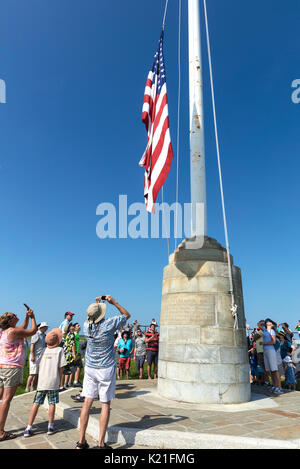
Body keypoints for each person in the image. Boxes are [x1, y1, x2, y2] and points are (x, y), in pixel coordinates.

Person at [76, 295, 130, 450]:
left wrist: (97, 305)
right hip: (106, 368)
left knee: (87, 402)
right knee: (105, 403)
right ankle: (100, 443)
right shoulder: (109, 324)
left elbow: (93, 316)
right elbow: (126, 315)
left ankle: (81, 441)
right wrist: (114, 302)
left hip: (91, 368)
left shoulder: (86, 325)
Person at [0, 308, 37, 442]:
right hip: (12, 368)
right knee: (6, 400)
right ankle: (0, 432)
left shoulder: (5, 331)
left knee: (1, 398)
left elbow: (22, 328)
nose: (16, 315)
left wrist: (26, 318)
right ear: (10, 320)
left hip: (2, 367)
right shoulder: (14, 331)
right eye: (13, 315)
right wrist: (33, 317)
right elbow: (32, 331)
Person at [23, 328, 67, 437]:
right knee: (52, 404)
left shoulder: (43, 350)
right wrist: (61, 383)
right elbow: (61, 368)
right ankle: (50, 426)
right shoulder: (60, 350)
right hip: (53, 382)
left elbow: (38, 365)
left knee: (36, 403)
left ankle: (28, 427)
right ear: (57, 341)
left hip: (42, 383)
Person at [25, 322, 48, 392]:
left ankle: (32, 387)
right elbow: (32, 345)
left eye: (46, 327)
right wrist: (32, 355)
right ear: (40, 328)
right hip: (35, 356)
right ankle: (27, 387)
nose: (45, 328)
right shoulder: (36, 334)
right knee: (32, 373)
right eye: (44, 327)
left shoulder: (44, 335)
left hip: (41, 356)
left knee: (36, 373)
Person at [263, 318, 283, 394]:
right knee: (271, 370)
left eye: (270, 322)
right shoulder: (265, 331)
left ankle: (279, 387)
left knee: (275, 370)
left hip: (272, 351)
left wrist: (264, 343)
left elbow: (274, 342)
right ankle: (275, 386)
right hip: (266, 351)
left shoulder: (272, 331)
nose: (268, 323)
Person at [62, 323, 77, 389]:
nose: (72, 326)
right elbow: (72, 344)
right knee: (68, 368)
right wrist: (74, 354)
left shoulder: (68, 334)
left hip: (66, 353)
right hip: (68, 353)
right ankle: (65, 384)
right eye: (71, 326)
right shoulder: (71, 334)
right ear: (69, 328)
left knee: (66, 368)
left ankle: (64, 384)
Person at [73, 323, 82, 387]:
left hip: (77, 352)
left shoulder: (77, 335)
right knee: (78, 366)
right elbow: (73, 345)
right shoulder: (74, 335)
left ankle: (75, 380)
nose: (79, 326)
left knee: (78, 366)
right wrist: (74, 353)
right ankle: (75, 381)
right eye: (77, 326)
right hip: (74, 353)